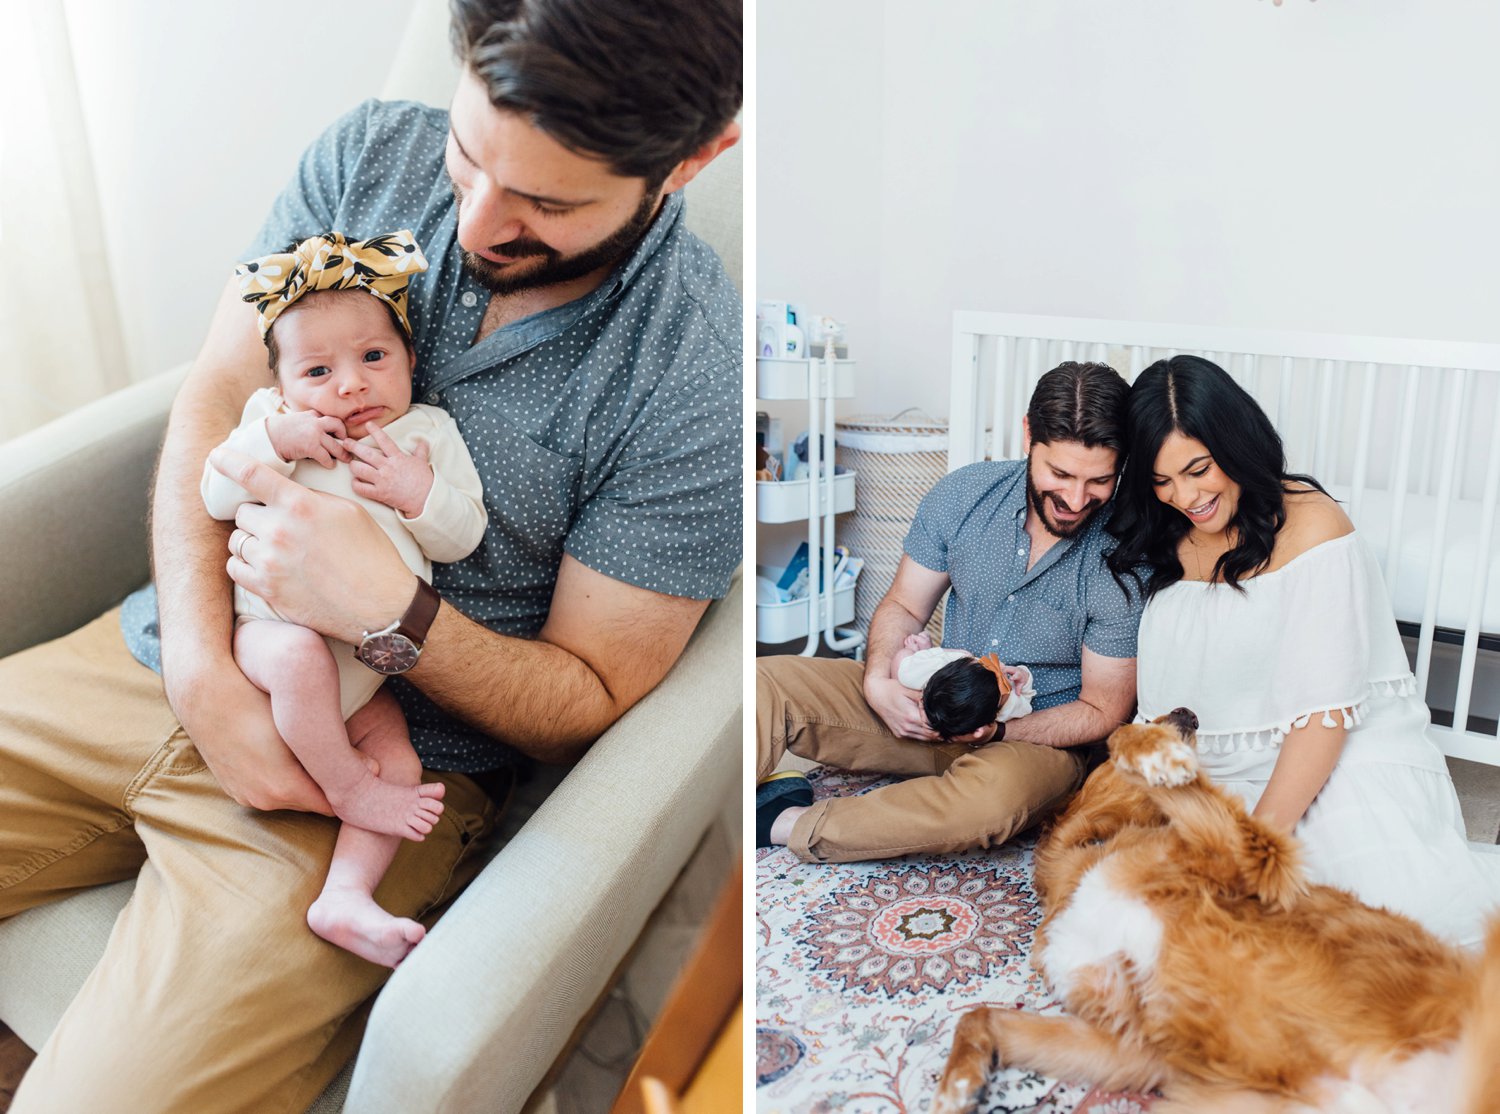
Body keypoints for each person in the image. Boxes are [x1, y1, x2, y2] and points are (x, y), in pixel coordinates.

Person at [0, 0, 741, 1109]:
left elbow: (588, 692)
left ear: (693, 160)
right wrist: (206, 675)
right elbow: (219, 391)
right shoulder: (366, 157)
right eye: (470, 153)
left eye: (547, 200)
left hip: (380, 777)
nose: (479, 221)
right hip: (159, 648)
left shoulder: (693, 376)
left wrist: (395, 608)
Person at [1107, 354, 1500, 947]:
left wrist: (1254, 850)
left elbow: (1322, 720)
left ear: (1234, 444)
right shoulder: (1163, 532)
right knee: (1147, 922)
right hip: (1216, 773)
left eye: (1199, 470)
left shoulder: (1314, 528)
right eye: (1162, 481)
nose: (1185, 496)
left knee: (1356, 928)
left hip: (1332, 757)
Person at [207, 230, 489, 967]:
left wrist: (417, 492)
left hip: (368, 671)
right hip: (270, 642)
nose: (351, 385)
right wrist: (278, 437)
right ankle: (344, 787)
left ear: (409, 362)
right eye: (318, 370)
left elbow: (463, 535)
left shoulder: (426, 433)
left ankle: (347, 899)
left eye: (373, 358)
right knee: (302, 657)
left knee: (397, 756)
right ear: (281, 383)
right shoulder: (272, 423)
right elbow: (215, 490)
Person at [756, 361, 1143, 861]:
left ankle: (786, 821)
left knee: (990, 804)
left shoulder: (1125, 556)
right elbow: (903, 605)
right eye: (1060, 473)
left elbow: (1102, 710)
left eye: (1098, 482)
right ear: (1029, 436)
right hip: (928, 701)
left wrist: (998, 730)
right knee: (767, 682)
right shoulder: (963, 495)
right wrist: (879, 681)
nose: (1073, 498)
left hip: (1033, 741)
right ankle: (718, 815)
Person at [888, 631, 1035, 742]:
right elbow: (1026, 698)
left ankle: (928, 652)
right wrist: (1024, 677)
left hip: (933, 671)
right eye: (1004, 680)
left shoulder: (924, 672)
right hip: (944, 678)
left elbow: (901, 665)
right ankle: (930, 653)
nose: (1001, 665)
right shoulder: (1009, 706)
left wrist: (913, 652)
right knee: (964, 655)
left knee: (903, 665)